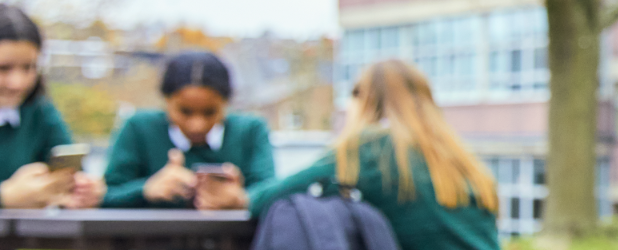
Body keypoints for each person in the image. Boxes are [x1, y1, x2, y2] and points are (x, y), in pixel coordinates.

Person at [197, 60, 499, 250]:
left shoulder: (372, 148)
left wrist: (239, 197)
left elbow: (281, 192)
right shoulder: (461, 159)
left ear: (363, 99)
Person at [102, 51, 275, 208]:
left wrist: (241, 199)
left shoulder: (251, 130)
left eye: (210, 112)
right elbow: (105, 195)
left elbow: (270, 193)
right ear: (166, 101)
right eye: (185, 111)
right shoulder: (138, 128)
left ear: (226, 103)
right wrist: (146, 189)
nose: (197, 125)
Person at [0, 4, 103, 209]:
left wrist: (81, 190)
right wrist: (5, 197)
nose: (17, 83)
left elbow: (73, 170)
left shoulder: (40, 111)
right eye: (3, 68)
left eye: (28, 67)